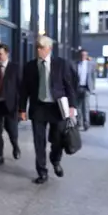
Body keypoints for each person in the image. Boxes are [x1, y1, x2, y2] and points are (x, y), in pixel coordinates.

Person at [19, 35, 76, 185]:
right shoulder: (30, 66)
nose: (39, 51)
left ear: (49, 49)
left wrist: (72, 106)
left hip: (57, 108)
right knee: (39, 142)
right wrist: (22, 109)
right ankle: (42, 171)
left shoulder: (61, 64)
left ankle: (55, 160)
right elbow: (24, 89)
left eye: (42, 48)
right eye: (37, 47)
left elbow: (69, 86)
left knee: (57, 140)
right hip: (38, 107)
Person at [76, 50, 96, 131]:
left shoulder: (90, 64)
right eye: (81, 55)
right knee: (78, 107)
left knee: (86, 106)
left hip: (86, 88)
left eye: (84, 55)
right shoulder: (76, 64)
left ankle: (86, 123)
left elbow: (93, 76)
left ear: (87, 56)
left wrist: (93, 88)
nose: (83, 56)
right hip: (77, 88)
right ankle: (79, 123)